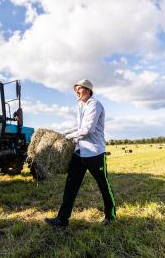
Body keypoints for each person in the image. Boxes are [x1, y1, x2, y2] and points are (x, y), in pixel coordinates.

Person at [44, 79, 116, 227]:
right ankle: (62, 219)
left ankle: (111, 215)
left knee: (103, 184)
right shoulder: (80, 106)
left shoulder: (94, 105)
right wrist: (63, 134)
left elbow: (87, 129)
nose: (76, 92)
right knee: (70, 186)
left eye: (79, 89)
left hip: (95, 152)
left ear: (88, 91)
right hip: (80, 152)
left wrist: (68, 138)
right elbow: (78, 126)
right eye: (75, 89)